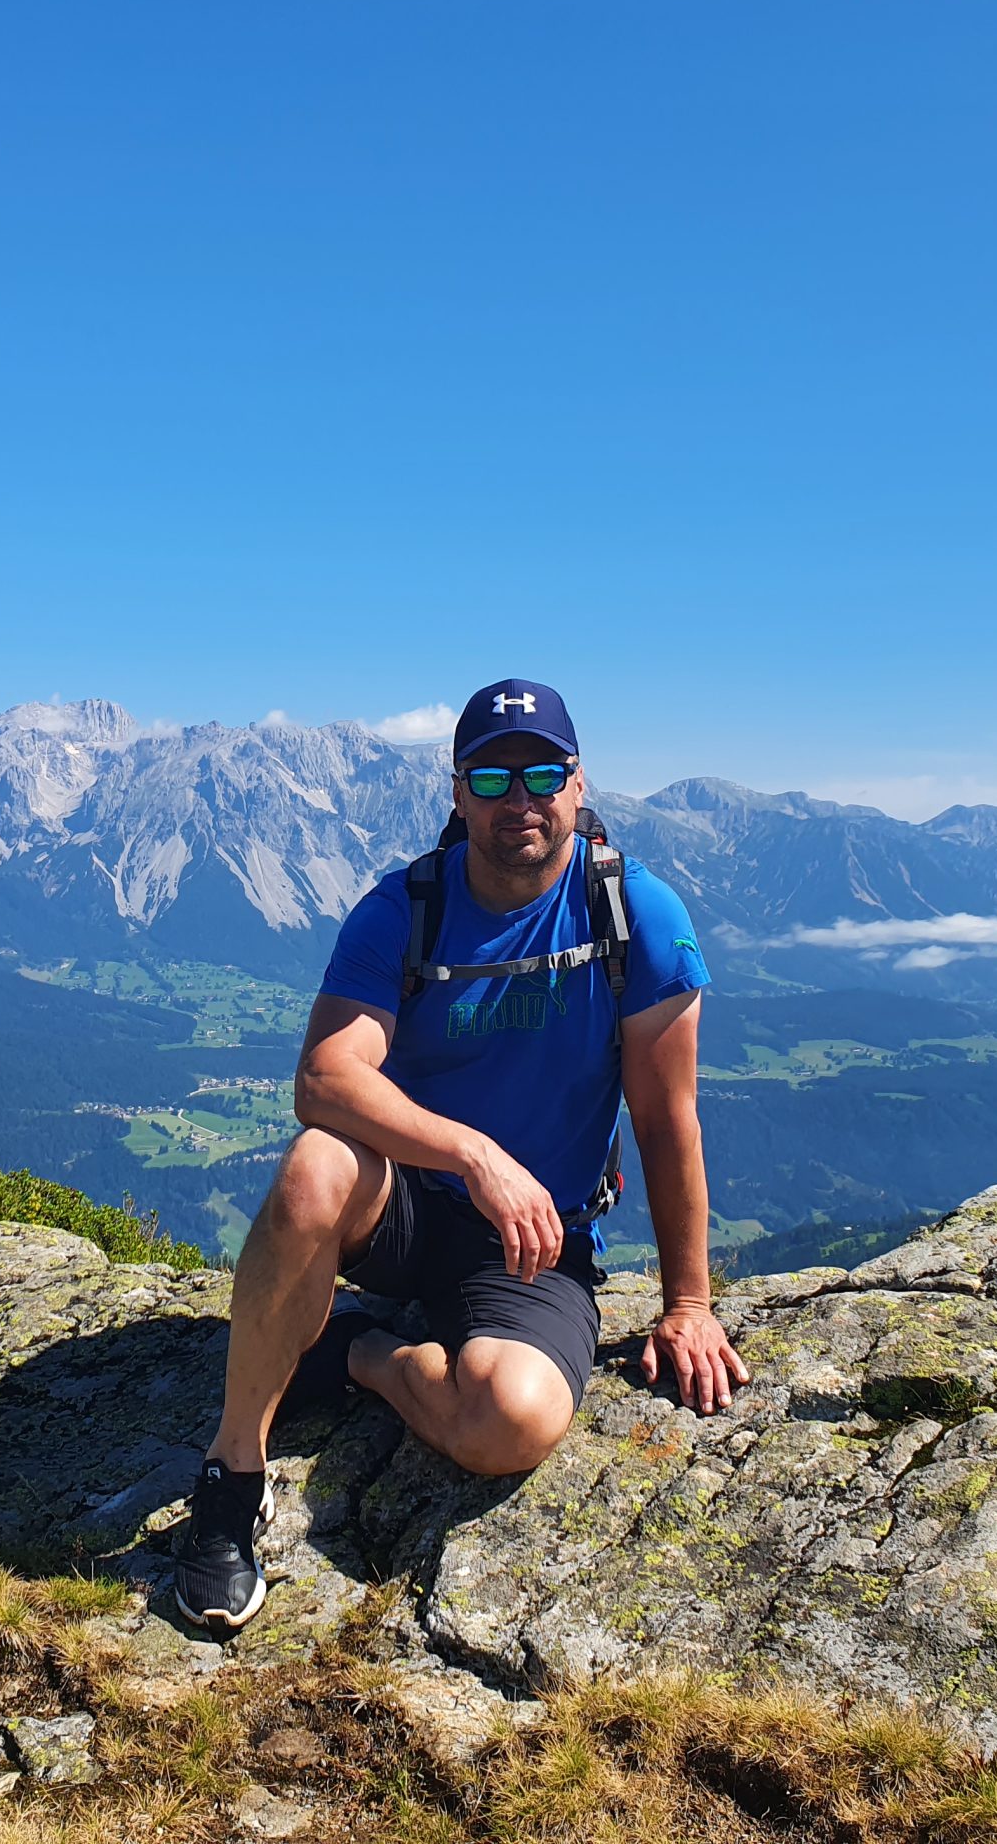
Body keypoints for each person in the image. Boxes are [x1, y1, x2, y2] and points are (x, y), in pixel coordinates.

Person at [173, 677, 749, 1629]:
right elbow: (323, 1080)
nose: (518, 799)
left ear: (578, 784)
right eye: (491, 777)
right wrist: (474, 1155)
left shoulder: (634, 915)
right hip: (405, 1206)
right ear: (457, 793)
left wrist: (688, 1305)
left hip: (535, 1243)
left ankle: (356, 1352)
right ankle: (234, 1479)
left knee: (511, 1421)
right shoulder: (407, 908)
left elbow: (666, 1118)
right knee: (315, 1163)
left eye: (541, 775)